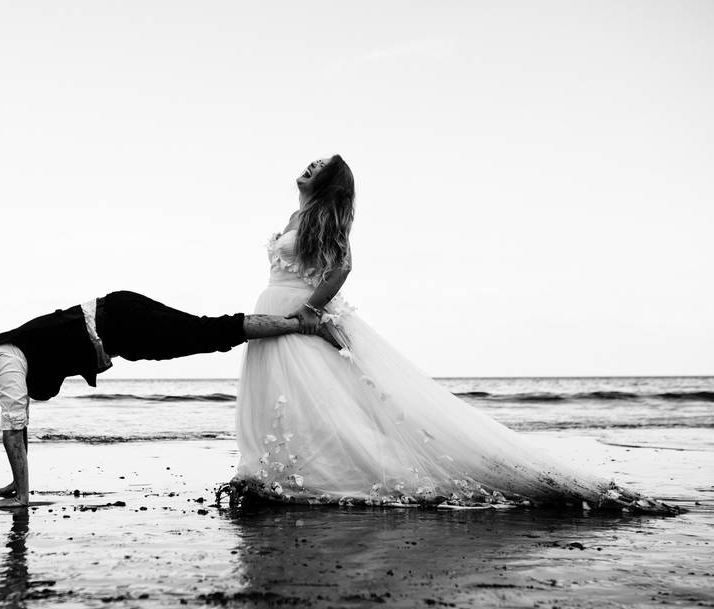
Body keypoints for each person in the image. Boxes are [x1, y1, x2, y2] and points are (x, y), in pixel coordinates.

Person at [228, 155, 677, 513]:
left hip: (300, 315)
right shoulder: (295, 214)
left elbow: (342, 266)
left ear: (329, 185)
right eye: (311, 163)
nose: (308, 168)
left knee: (321, 400)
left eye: (319, 168)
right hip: (273, 309)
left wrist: (311, 309)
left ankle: (316, 474)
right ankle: (281, 471)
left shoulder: (323, 216)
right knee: (282, 395)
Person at [0, 290, 338, 510]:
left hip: (121, 322)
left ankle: (300, 325)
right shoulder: (2, 355)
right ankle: (297, 326)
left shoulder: (1, 358)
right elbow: (19, 424)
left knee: (206, 334)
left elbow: (13, 428)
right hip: (120, 326)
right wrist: (16, 484)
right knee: (205, 336)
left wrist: (23, 498)